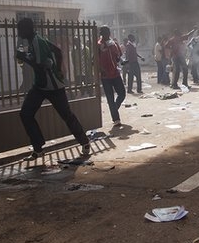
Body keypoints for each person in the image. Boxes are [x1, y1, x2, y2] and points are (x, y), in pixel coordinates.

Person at [15, 18, 91, 161]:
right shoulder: (35, 40)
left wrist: (24, 58)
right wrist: (59, 69)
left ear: (26, 29)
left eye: (20, 29)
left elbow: (39, 66)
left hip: (53, 86)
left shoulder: (37, 42)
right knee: (25, 114)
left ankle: (85, 142)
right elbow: (57, 51)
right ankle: (38, 148)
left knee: (66, 115)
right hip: (41, 85)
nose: (18, 32)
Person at [98, 26, 126, 127]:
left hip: (115, 73)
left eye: (107, 33)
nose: (106, 35)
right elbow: (95, 60)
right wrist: (101, 69)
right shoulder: (98, 45)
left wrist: (120, 60)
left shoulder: (113, 43)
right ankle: (116, 119)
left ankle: (114, 108)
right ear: (102, 34)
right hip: (105, 76)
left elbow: (118, 57)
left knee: (122, 93)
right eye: (104, 33)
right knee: (110, 97)